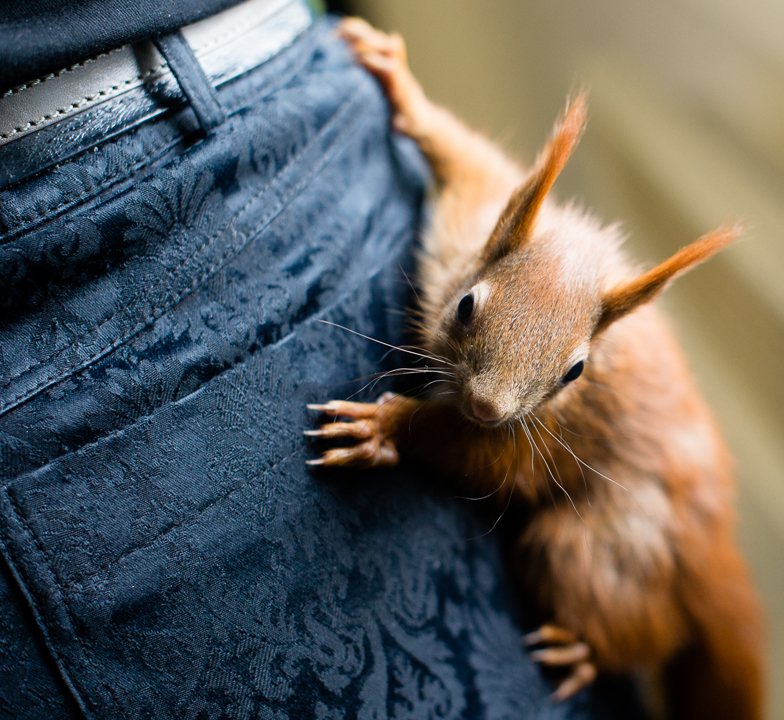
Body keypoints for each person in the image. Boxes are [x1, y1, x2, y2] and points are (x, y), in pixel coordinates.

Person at [0, 1, 644, 716]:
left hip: (264, 82)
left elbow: (505, 460)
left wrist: (407, 427)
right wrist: (420, 113)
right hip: (255, 77)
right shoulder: (490, 225)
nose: (488, 405)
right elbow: (476, 176)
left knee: (579, 572)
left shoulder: (548, 371)